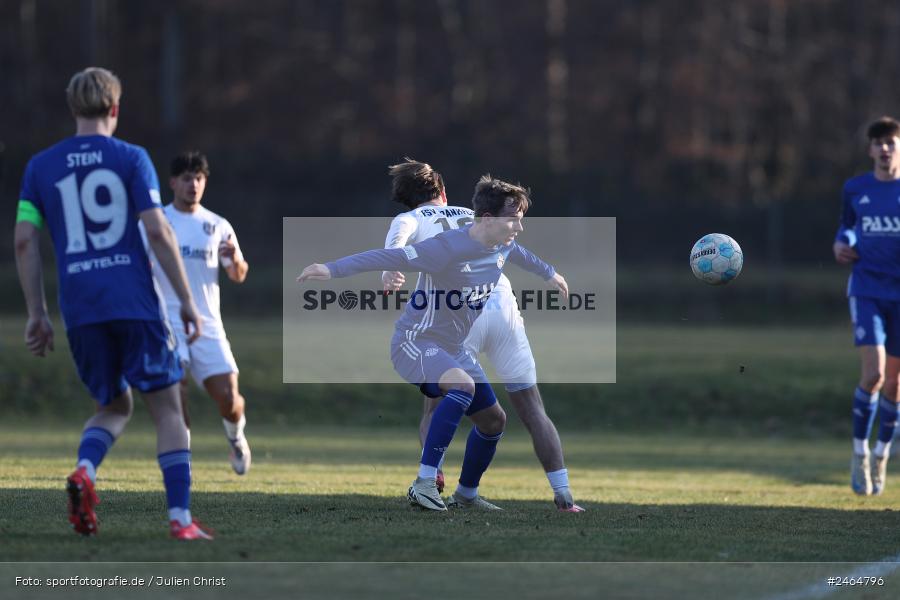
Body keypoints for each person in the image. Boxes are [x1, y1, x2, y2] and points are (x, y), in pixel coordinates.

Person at [13, 67, 212, 539]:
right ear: (115, 107)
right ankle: (181, 519)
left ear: (72, 108)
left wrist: (37, 313)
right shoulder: (131, 158)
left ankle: (85, 469)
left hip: (81, 310)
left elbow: (23, 241)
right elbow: (157, 231)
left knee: (113, 405)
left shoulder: (40, 166)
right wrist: (187, 300)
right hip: (134, 304)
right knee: (167, 409)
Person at [299, 176, 568, 511]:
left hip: (453, 348)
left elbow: (521, 254)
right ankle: (424, 483)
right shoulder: (446, 248)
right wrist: (331, 269)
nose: (519, 227)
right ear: (487, 219)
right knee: (463, 386)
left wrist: (550, 274)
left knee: (494, 421)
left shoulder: (502, 243)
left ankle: (466, 495)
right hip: (415, 341)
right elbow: (388, 257)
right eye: (513, 219)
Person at [382, 159, 583, 512]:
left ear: (406, 200)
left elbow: (397, 244)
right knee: (529, 408)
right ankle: (562, 493)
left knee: (436, 402)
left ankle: (431, 477)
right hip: (503, 311)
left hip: (460, 316)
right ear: (443, 192)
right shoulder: (473, 215)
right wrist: (549, 273)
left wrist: (389, 270)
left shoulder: (408, 218)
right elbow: (512, 247)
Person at [143, 151, 251, 475]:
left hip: (208, 324)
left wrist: (236, 260)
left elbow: (238, 274)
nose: (194, 184)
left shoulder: (217, 225)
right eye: (187, 178)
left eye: (199, 178)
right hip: (167, 323)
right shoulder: (155, 222)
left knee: (229, 398)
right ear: (173, 182)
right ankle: (182, 464)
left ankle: (236, 437)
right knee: (176, 394)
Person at [833, 116, 900, 496]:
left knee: (895, 383)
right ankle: (859, 453)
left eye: (891, 142)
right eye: (879, 143)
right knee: (873, 374)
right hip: (867, 288)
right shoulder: (856, 188)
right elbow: (847, 226)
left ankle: (881, 454)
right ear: (870, 150)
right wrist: (841, 243)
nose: (885, 148)